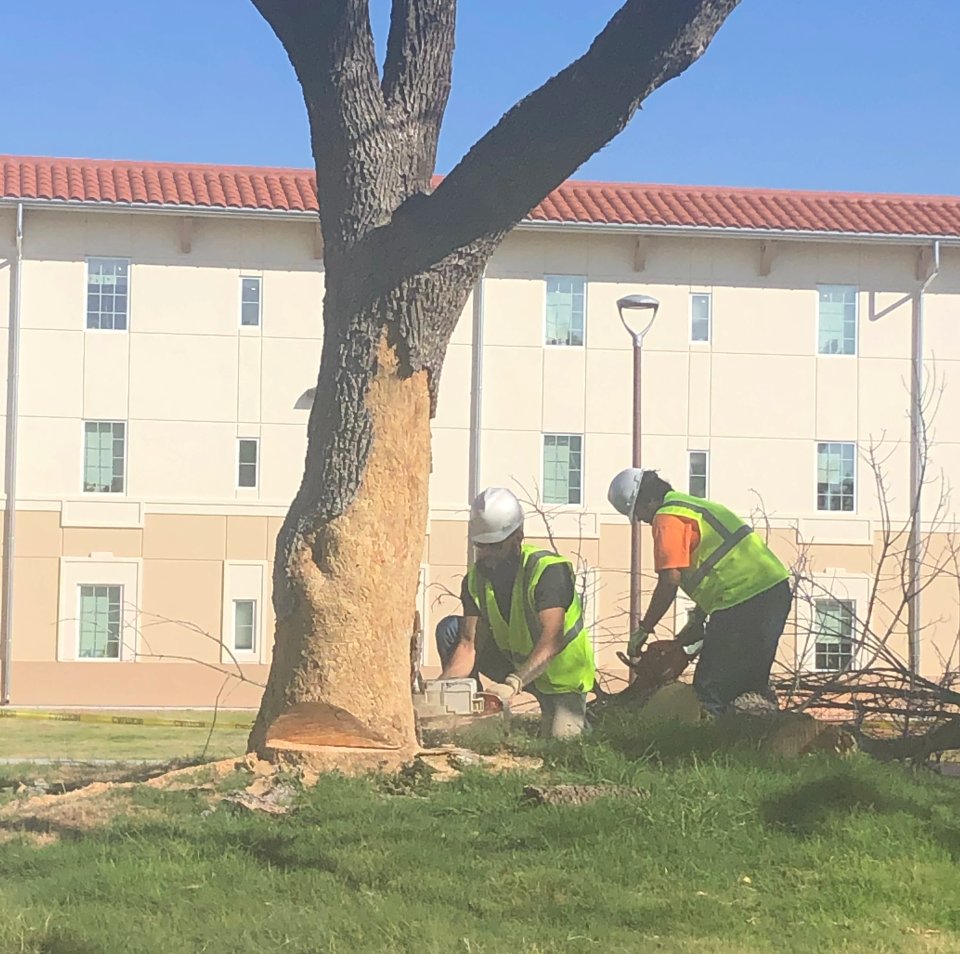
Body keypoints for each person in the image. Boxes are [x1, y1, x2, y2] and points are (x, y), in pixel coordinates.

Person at [607, 467, 791, 715]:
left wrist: (644, 628)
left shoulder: (667, 518)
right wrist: (690, 630)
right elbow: (720, 567)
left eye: (638, 513)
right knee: (750, 686)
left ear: (648, 500)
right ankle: (756, 741)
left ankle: (710, 747)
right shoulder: (692, 506)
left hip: (741, 600)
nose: (641, 520)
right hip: (772, 592)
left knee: (710, 690)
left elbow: (669, 582)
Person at [439, 487, 595, 737]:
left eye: (496, 547)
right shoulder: (475, 581)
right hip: (514, 664)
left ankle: (584, 719)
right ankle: (474, 720)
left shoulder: (547, 571)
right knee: (450, 630)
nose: (487, 555)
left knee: (561, 742)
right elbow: (468, 646)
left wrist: (513, 684)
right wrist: (439, 691)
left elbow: (552, 640)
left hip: (559, 676)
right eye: (482, 546)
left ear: (518, 538)